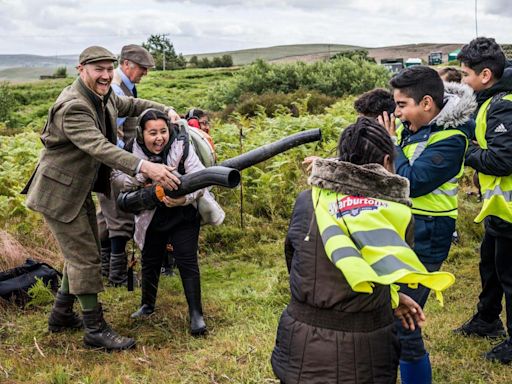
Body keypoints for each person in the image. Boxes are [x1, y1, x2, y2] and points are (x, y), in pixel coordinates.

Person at [271, 117, 455, 384]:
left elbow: (295, 260)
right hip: (364, 353)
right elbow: (383, 271)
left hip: (298, 345)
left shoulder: (306, 200)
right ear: (386, 161)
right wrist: (394, 298)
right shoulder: (395, 211)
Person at [22, 46, 181, 351]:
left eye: (110, 69)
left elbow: (129, 104)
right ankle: (95, 330)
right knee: (85, 257)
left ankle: (61, 316)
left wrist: (164, 109)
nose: (106, 76)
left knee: (83, 252)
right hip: (59, 193)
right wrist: (146, 166)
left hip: (76, 188)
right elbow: (100, 147)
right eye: (99, 70)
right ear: (81, 69)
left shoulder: (102, 95)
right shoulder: (74, 106)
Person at [378, 65, 475, 383]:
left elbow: (410, 181)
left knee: (404, 322)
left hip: (429, 233)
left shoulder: (451, 139)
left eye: (402, 105)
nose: (397, 112)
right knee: (392, 315)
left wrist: (391, 142)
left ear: (427, 103)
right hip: (408, 228)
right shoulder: (419, 128)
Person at [114, 108, 220, 336]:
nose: (159, 137)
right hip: (150, 216)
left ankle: (196, 315)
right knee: (150, 260)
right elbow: (119, 179)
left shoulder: (181, 145)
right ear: (142, 134)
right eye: (152, 133)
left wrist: (184, 198)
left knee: (187, 261)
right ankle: (147, 305)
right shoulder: (132, 149)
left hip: (182, 214)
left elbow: (202, 180)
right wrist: (145, 175)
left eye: (163, 131)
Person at [453, 37, 512, 364]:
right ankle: (487, 320)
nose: (463, 81)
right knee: (490, 266)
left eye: (465, 75)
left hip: (510, 212)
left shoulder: (504, 104)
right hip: (498, 209)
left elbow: (503, 161)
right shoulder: (492, 99)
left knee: (509, 275)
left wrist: (466, 151)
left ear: (485, 75)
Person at [96, 44, 155, 286]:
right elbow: (111, 131)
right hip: (116, 161)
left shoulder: (125, 87)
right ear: (127, 64)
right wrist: (132, 162)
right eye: (142, 68)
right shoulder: (118, 92)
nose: (145, 73)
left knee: (106, 216)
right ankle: (117, 276)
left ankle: (103, 266)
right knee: (120, 217)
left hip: (116, 160)